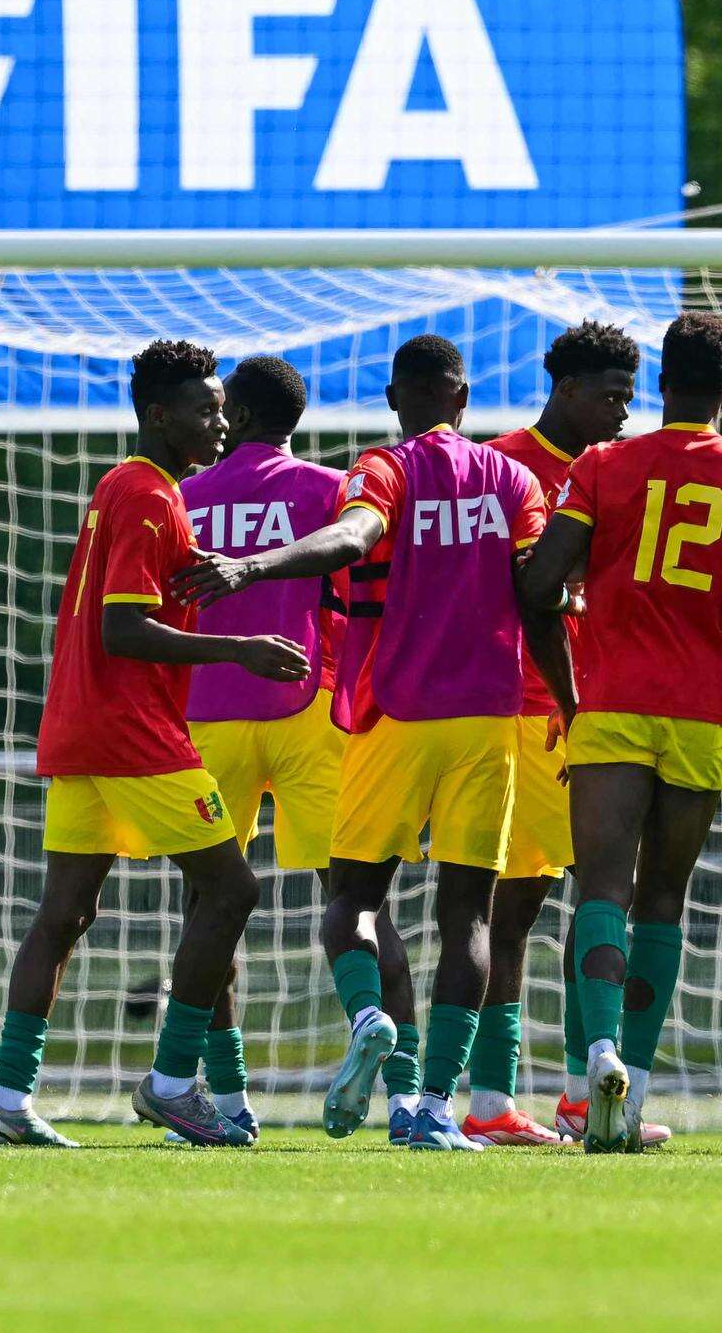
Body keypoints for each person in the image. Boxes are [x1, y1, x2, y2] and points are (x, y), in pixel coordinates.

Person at [177, 334, 548, 1153]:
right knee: (468, 918)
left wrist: (247, 568)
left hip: (358, 714)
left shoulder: (369, 473)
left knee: (321, 903)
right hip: (471, 717)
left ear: (393, 397)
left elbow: (352, 540)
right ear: (463, 398)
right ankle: (428, 1105)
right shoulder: (515, 481)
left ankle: (230, 1092)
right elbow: (539, 591)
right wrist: (573, 691)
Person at [514, 311, 722, 1153]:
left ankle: (596, 1062)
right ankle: (637, 1092)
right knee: (665, 898)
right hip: (701, 710)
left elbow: (541, 580)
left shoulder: (602, 464)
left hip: (613, 700)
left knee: (601, 892)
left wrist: (581, 602)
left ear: (660, 383)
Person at [0, 340, 309, 1148]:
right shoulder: (150, 494)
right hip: (132, 734)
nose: (220, 421)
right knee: (230, 890)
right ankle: (169, 1084)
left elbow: (145, 595)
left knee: (65, 912)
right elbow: (123, 628)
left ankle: (7, 1100)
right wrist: (239, 648)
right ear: (158, 415)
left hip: (78, 726)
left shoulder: (129, 489)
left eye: (223, 406)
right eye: (205, 409)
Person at [172, 354, 385, 1141]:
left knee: (209, 907)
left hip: (209, 710)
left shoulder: (185, 495)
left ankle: (224, 1099)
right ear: (294, 418)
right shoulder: (330, 490)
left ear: (236, 414)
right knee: (354, 891)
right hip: (308, 703)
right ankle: (390, 1063)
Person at [474, 320, 643, 1147]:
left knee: (593, 895)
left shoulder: (614, 472)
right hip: (528, 711)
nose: (622, 410)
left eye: (629, 395)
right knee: (520, 902)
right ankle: (493, 1096)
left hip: (590, 708)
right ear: (566, 388)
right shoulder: (506, 463)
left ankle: (574, 1092)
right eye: (610, 394)